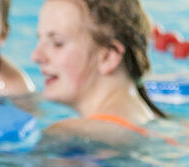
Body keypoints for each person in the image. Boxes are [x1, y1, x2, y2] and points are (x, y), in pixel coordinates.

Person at [31, 0, 170, 145]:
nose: (36, 56)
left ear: (107, 57)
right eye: (40, 39)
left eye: (58, 43)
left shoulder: (68, 134)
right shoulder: (155, 122)